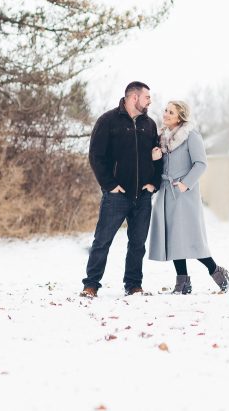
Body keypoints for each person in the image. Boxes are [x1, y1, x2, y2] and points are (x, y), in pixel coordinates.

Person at [81, 81, 162, 297]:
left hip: (142, 196)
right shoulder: (108, 121)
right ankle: (91, 285)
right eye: (147, 97)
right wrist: (110, 185)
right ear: (133, 97)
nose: (149, 102)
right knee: (102, 241)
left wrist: (154, 183)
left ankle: (133, 285)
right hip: (117, 195)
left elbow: (158, 155)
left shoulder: (149, 125)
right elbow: (96, 157)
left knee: (138, 244)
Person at [148, 100, 229, 294]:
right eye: (166, 110)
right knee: (174, 238)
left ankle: (216, 271)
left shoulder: (191, 136)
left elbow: (201, 163)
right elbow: (159, 165)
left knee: (190, 239)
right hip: (166, 193)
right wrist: (154, 158)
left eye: (171, 112)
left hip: (184, 194)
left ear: (180, 117)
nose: (166, 114)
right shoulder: (161, 137)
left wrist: (185, 184)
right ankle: (183, 283)